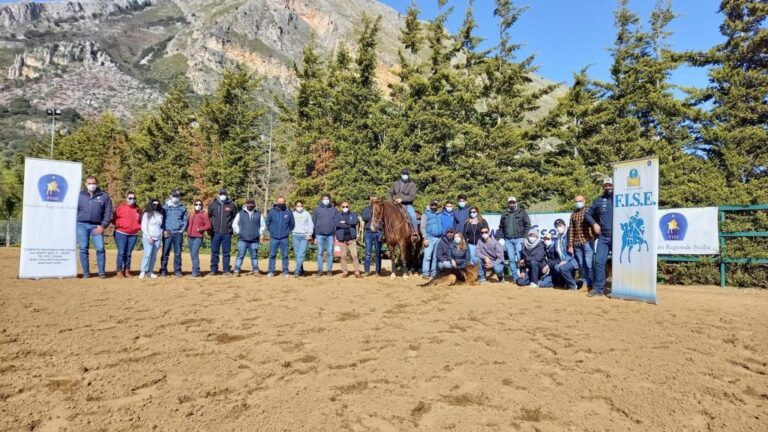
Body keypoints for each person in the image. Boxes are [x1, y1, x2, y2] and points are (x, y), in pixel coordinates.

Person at [76, 175, 113, 279]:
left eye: (93, 183)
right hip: (81, 225)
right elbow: (73, 210)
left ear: (97, 184)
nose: (92, 185)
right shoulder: (79, 195)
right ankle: (86, 273)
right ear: (85, 184)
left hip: (97, 226)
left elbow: (109, 212)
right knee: (83, 249)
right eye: (89, 183)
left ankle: (101, 273)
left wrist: (103, 226)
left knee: (100, 248)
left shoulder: (104, 196)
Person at [585, 178, 614, 297]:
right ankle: (598, 289)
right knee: (599, 262)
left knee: (620, 263)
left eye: (610, 185)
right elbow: (587, 214)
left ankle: (618, 289)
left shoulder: (622, 199)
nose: (608, 187)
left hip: (618, 237)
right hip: (603, 237)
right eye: (605, 185)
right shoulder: (599, 201)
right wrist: (594, 224)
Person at [499, 196, 531, 283]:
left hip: (519, 239)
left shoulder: (522, 212)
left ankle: (522, 275)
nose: (512, 204)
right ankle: (515, 277)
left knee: (521, 259)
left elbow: (528, 225)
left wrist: (524, 237)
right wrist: (501, 238)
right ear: (508, 203)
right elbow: (501, 227)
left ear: (516, 202)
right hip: (508, 240)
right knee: (511, 259)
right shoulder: (504, 213)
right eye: (510, 202)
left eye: (513, 202)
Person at [568, 194, 595, 290]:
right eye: (577, 201)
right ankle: (585, 283)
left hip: (587, 241)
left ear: (584, 201)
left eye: (580, 200)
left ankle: (593, 284)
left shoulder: (589, 211)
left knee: (589, 264)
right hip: (577, 244)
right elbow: (571, 230)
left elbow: (595, 225)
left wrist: (593, 237)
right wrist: (570, 244)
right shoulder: (573, 214)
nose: (578, 202)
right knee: (581, 265)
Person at [232, 198, 265, 276]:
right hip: (243, 239)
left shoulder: (259, 214)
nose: (250, 205)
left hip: (254, 240)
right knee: (240, 255)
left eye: (252, 204)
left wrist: (259, 233)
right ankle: (236, 271)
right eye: (249, 203)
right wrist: (239, 231)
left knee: (254, 256)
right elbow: (234, 223)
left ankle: (256, 271)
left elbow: (263, 225)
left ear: (254, 204)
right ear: (246, 204)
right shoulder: (240, 213)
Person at [208, 188, 237, 276]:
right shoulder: (212, 204)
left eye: (224, 193)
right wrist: (210, 229)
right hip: (215, 232)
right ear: (218, 194)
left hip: (227, 233)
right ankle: (213, 269)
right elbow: (209, 216)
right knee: (214, 252)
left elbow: (235, 218)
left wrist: (232, 229)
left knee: (226, 252)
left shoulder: (231, 205)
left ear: (226, 194)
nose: (223, 195)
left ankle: (226, 270)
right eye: (221, 193)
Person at [112, 191, 141, 278]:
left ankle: (127, 270)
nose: (132, 200)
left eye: (134, 198)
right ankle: (119, 271)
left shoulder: (138, 210)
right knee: (121, 252)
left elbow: (141, 220)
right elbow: (113, 219)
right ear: (126, 198)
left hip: (133, 234)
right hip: (121, 233)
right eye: (130, 198)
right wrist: (120, 225)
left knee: (128, 253)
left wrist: (138, 227)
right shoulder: (120, 208)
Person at [160, 189, 188, 277]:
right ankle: (163, 270)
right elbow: (162, 220)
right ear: (170, 196)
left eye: (178, 196)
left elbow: (185, 220)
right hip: (167, 233)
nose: (176, 198)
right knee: (165, 252)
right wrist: (164, 230)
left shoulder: (182, 207)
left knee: (178, 253)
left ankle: (177, 270)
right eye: (174, 196)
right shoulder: (165, 207)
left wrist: (182, 230)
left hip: (178, 233)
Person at [266, 196, 295, 277]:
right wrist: (272, 231)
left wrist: (287, 232)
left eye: (282, 201)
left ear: (285, 202)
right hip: (274, 238)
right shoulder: (272, 211)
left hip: (284, 238)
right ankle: (271, 271)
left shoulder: (288, 212)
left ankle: (285, 271)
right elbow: (267, 223)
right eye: (279, 201)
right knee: (272, 254)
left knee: (285, 255)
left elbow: (292, 224)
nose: (281, 203)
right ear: (277, 202)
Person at [312, 193, 337, 276]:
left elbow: (336, 222)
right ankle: (320, 270)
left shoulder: (334, 210)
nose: (326, 200)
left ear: (329, 200)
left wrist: (335, 233)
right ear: (321, 200)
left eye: (327, 199)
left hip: (330, 235)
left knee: (330, 252)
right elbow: (313, 223)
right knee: (320, 252)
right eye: (324, 199)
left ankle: (329, 270)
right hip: (319, 235)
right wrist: (314, 236)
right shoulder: (317, 209)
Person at [335, 201, 361, 278]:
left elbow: (355, 221)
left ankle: (356, 271)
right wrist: (347, 224)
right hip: (342, 240)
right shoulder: (337, 215)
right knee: (343, 256)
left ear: (349, 207)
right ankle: (345, 271)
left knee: (355, 256)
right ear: (341, 207)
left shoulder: (353, 214)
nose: (345, 208)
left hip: (351, 239)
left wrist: (344, 222)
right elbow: (336, 224)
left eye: (346, 206)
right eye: (343, 207)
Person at [139, 198, 163, 279]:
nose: (155, 206)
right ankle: (143, 271)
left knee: (153, 256)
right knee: (147, 255)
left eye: (157, 204)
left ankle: (150, 271)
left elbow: (160, 227)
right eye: (154, 204)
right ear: (151, 205)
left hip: (157, 238)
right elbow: (144, 226)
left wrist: (160, 236)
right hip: (148, 238)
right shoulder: (146, 214)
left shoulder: (160, 215)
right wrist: (149, 237)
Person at [553, 219, 580, 290]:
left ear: (564, 225)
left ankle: (573, 285)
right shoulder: (558, 238)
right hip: (563, 261)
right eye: (556, 226)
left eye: (560, 226)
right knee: (556, 267)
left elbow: (572, 250)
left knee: (563, 268)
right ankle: (566, 283)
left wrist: (565, 260)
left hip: (573, 259)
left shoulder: (569, 234)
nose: (558, 228)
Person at [187, 199, 211, 277]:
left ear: (202, 206)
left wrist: (200, 229)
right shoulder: (191, 214)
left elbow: (208, 225)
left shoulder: (204, 214)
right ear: (194, 205)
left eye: (199, 204)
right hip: (190, 237)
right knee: (192, 254)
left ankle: (196, 271)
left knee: (194, 253)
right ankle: (196, 270)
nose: (198, 206)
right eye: (196, 204)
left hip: (198, 237)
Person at [420, 199, 443, 279]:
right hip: (429, 237)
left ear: (437, 206)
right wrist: (425, 238)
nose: (434, 206)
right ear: (430, 205)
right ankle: (425, 273)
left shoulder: (440, 214)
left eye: (435, 205)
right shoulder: (425, 214)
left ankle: (434, 273)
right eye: (432, 204)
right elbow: (422, 227)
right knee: (427, 256)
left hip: (439, 238)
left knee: (436, 257)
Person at [360, 194, 383, 276]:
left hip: (378, 232)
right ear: (370, 200)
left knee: (378, 253)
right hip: (369, 232)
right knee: (368, 253)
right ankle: (366, 271)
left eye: (375, 200)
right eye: (372, 200)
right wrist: (373, 213)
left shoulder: (381, 209)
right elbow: (364, 217)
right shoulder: (367, 209)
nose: (373, 201)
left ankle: (377, 272)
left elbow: (383, 219)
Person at [291, 200, 314, 277]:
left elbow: (310, 224)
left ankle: (297, 271)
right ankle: (301, 270)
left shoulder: (306, 214)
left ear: (303, 206)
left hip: (305, 236)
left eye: (300, 206)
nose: (299, 207)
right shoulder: (293, 214)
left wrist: (309, 234)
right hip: (295, 235)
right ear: (295, 207)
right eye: (298, 206)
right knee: (297, 254)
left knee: (301, 253)